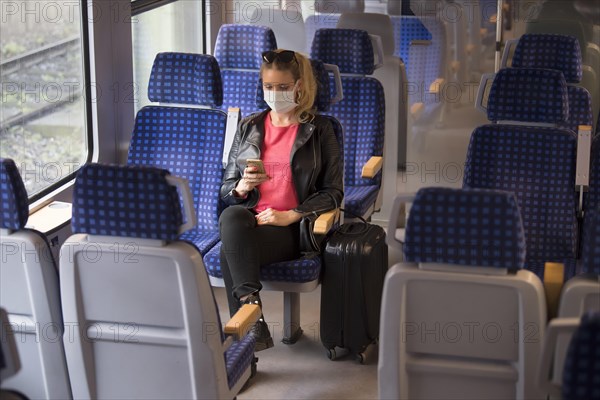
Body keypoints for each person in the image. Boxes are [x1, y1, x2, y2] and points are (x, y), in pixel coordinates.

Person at [219, 49, 344, 351]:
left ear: (300, 86)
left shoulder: (321, 129)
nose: (275, 94)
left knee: (228, 254)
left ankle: (250, 334)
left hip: (292, 228)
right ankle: (253, 314)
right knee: (231, 217)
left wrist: (293, 214)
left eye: (283, 87)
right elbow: (226, 192)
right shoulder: (250, 126)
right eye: (269, 87)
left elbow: (334, 191)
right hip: (250, 218)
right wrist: (241, 188)